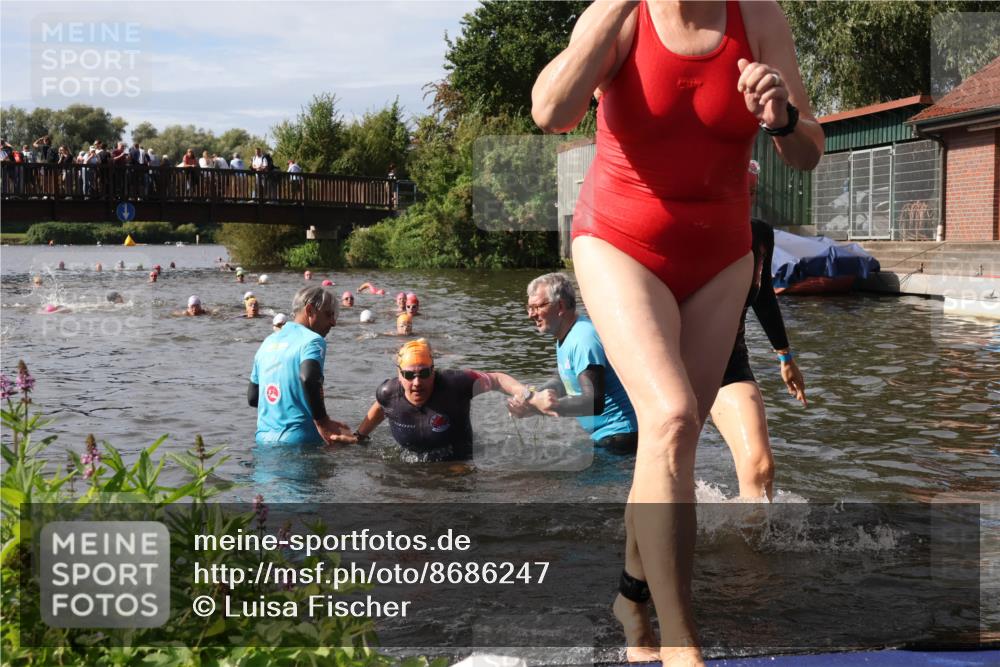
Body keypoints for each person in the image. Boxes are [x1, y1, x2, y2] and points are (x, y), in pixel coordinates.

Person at [532, 1, 823, 663]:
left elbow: (809, 151)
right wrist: (607, 18)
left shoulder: (758, 17)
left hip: (720, 254)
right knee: (668, 414)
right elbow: (550, 112)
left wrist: (780, 117)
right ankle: (679, 643)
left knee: (675, 441)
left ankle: (633, 596)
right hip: (619, 241)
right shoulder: (623, 14)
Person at [712, 162, 806, 499]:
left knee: (761, 467)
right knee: (667, 462)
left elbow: (762, 294)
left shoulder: (760, 234)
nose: (744, 203)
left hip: (728, 362)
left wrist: (786, 356)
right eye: (738, 194)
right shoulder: (691, 231)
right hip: (675, 365)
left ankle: (750, 550)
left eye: (751, 194)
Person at [337, 339, 532, 461]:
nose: (417, 382)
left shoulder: (455, 383)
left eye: (424, 373)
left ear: (433, 370)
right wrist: (359, 436)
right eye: (409, 375)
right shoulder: (388, 391)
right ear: (399, 374)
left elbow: (497, 379)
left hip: (459, 461)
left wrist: (522, 392)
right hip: (413, 460)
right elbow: (381, 407)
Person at [508, 273, 638, 454]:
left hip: (621, 438)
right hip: (605, 437)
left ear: (560, 306)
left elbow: (594, 401)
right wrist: (531, 398)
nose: (531, 315)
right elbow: (562, 380)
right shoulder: (567, 335)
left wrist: (550, 406)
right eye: (529, 308)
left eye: (537, 307)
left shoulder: (583, 339)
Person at [248, 286, 351, 445]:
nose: (333, 322)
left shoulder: (267, 342)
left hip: (263, 440)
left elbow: (253, 397)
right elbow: (309, 377)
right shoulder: (312, 340)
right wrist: (323, 422)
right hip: (301, 441)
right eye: (329, 314)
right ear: (310, 310)